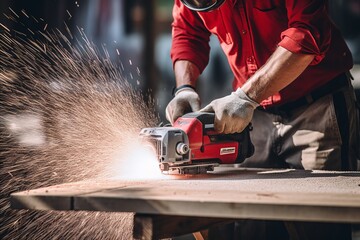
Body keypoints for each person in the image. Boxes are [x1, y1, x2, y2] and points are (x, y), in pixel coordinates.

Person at [165, 0, 360, 239]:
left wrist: (246, 97)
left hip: (316, 106)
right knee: (250, 223)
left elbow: (308, 32)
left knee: (318, 221)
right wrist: (184, 88)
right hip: (254, 116)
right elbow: (187, 31)